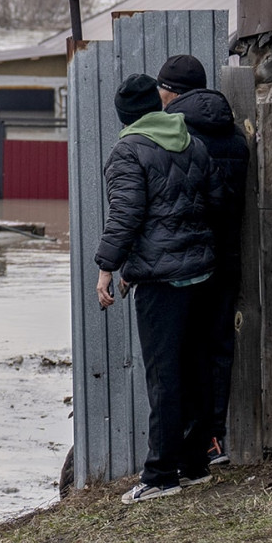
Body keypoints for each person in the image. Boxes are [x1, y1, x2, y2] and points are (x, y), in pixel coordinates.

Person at [95, 73, 223, 505]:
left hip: (161, 283)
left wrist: (107, 268)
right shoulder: (192, 142)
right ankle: (194, 464)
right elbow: (217, 201)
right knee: (196, 368)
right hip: (201, 275)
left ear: (125, 116)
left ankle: (161, 475)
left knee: (165, 377)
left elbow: (126, 217)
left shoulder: (128, 150)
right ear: (157, 106)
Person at [157, 54, 250, 466]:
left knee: (181, 351)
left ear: (170, 91)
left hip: (187, 258)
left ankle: (187, 446)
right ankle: (215, 440)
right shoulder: (233, 135)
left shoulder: (175, 134)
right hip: (227, 255)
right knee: (217, 348)